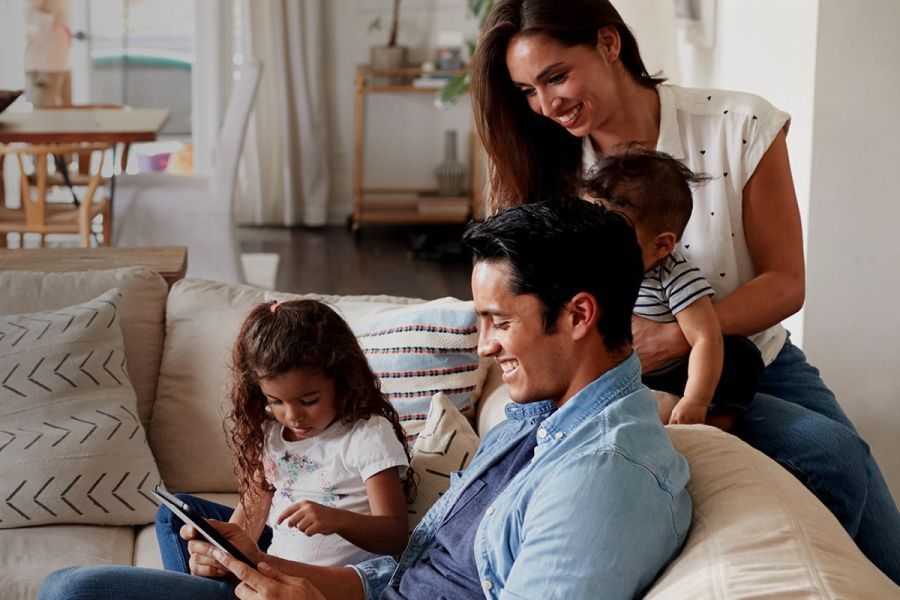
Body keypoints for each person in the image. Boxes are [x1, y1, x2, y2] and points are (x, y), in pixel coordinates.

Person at [39, 199, 692, 600]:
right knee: (75, 586)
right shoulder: (536, 424)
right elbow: (406, 577)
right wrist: (266, 567)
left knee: (74, 593)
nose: (485, 346)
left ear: (578, 315)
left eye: (499, 320)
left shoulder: (605, 478)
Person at [469, 0, 900, 583]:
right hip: (626, 376)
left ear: (608, 43)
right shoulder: (550, 168)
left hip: (752, 353)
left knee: (846, 462)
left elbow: (785, 283)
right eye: (527, 91)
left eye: (555, 76)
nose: (546, 106)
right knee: (832, 456)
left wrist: (678, 336)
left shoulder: (739, 125)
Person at [160, 299, 412, 592]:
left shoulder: (366, 434)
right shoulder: (272, 433)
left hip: (321, 586)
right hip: (271, 570)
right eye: (276, 401)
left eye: (309, 401)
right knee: (172, 516)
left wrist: (337, 520)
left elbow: (395, 535)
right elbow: (247, 525)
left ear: (342, 380)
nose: (293, 416)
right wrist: (221, 556)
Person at [586, 150, 764, 428]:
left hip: (674, 376)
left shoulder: (674, 276)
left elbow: (706, 338)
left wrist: (696, 399)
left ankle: (715, 422)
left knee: (739, 354)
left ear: (661, 245)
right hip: (621, 374)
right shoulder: (591, 269)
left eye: (613, 236)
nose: (596, 246)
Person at [25, 0, 73, 108]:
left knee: (65, 117)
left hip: (63, 62)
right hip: (44, 65)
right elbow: (27, 14)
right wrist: (54, 21)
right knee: (45, 118)